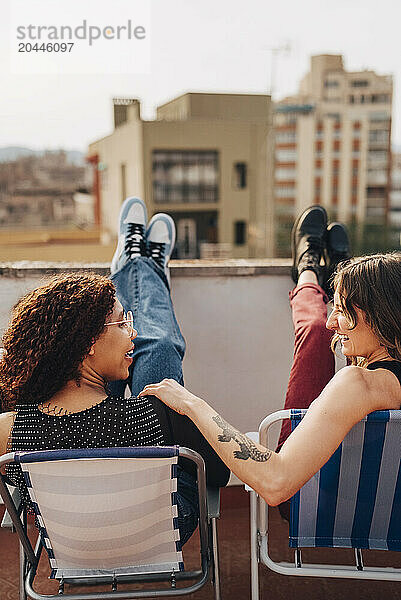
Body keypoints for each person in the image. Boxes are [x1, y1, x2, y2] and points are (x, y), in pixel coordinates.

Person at [0, 197, 229, 545]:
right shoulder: (156, 412)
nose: (131, 331)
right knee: (158, 350)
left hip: (71, 546)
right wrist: (187, 405)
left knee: (150, 346)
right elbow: (218, 473)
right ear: (89, 342)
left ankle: (134, 261)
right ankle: (147, 267)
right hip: (158, 535)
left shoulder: (10, 430)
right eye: (123, 323)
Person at [139, 205, 401, 506]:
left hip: (316, 504)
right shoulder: (380, 384)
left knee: (315, 333)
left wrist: (191, 403)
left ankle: (308, 272)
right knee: (319, 333)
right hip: (382, 513)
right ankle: (333, 270)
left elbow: (275, 483)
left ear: (383, 316)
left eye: (342, 310)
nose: (333, 322)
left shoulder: (358, 384)